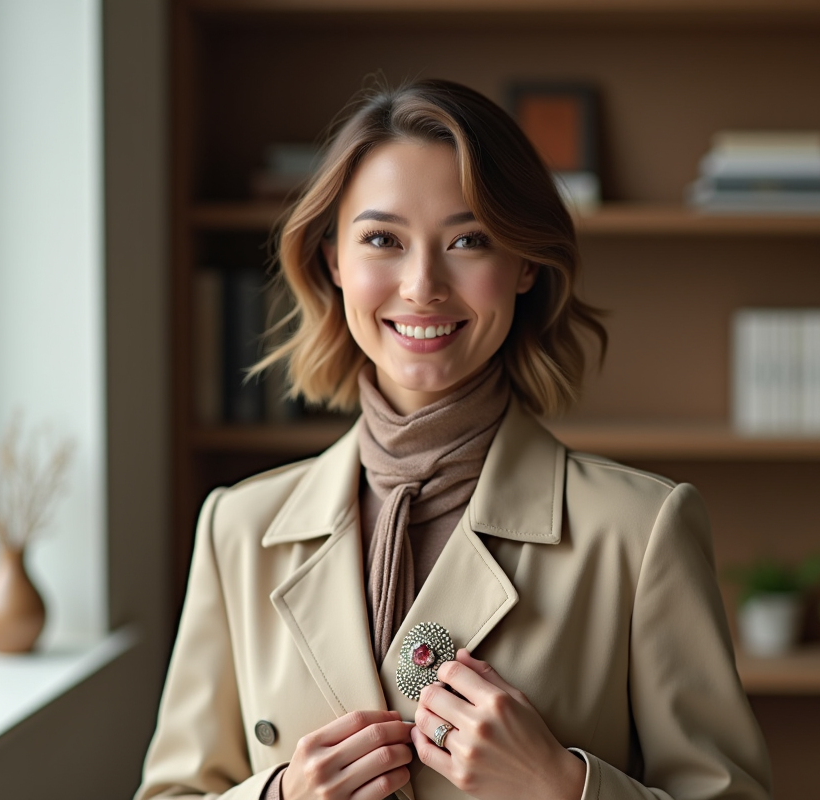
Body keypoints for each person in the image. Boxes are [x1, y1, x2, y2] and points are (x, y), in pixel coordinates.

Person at [136, 79, 771, 800]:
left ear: (525, 263)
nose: (422, 285)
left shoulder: (640, 531)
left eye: (469, 240)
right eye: (382, 240)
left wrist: (564, 788)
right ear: (332, 262)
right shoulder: (239, 529)